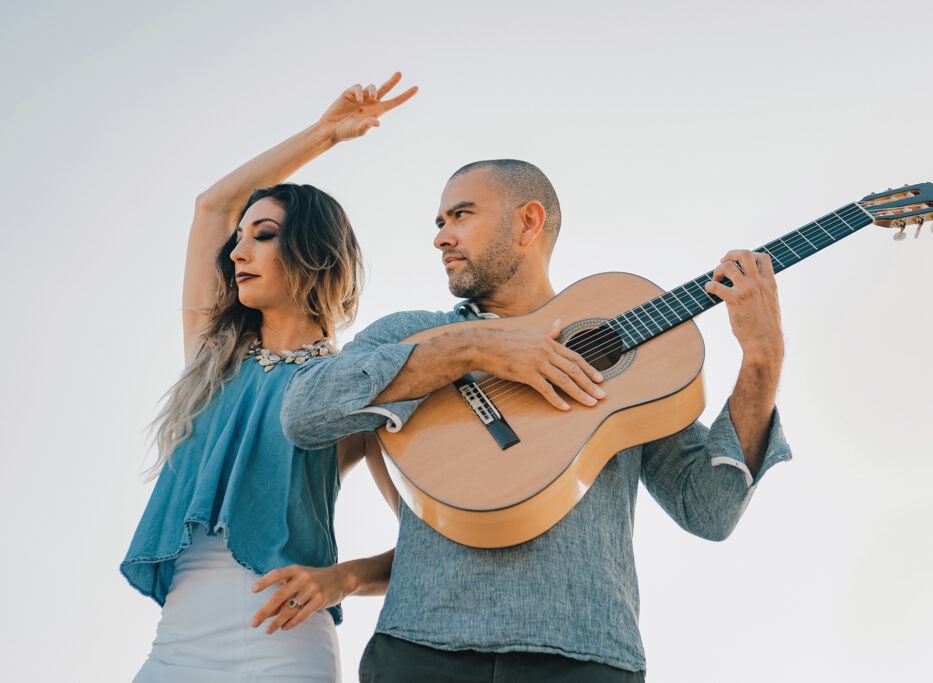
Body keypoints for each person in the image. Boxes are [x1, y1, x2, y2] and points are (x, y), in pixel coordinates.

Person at [281, 159, 793, 682]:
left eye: (460, 215)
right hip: (420, 646)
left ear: (528, 222)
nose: (442, 238)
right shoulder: (415, 333)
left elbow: (708, 508)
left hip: (587, 656)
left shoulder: (641, 364)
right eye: (439, 223)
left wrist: (762, 357)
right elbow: (305, 412)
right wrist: (474, 347)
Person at [120, 73, 416, 681]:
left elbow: (430, 539)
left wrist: (345, 578)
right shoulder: (215, 356)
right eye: (240, 240)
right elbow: (213, 207)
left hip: (284, 649)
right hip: (176, 648)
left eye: (265, 236)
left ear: (311, 251)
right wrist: (324, 134)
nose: (237, 251)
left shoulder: (348, 387)